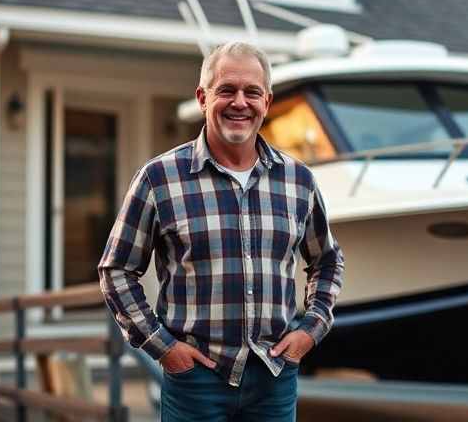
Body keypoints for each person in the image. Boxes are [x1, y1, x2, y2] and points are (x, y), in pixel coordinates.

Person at [98, 42, 345, 421]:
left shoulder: (299, 181)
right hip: (195, 381)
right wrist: (163, 347)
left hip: (274, 378)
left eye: (252, 92)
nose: (239, 103)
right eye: (226, 90)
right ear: (202, 97)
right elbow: (116, 270)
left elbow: (327, 261)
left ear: (267, 101)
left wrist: (311, 331)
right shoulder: (159, 178)